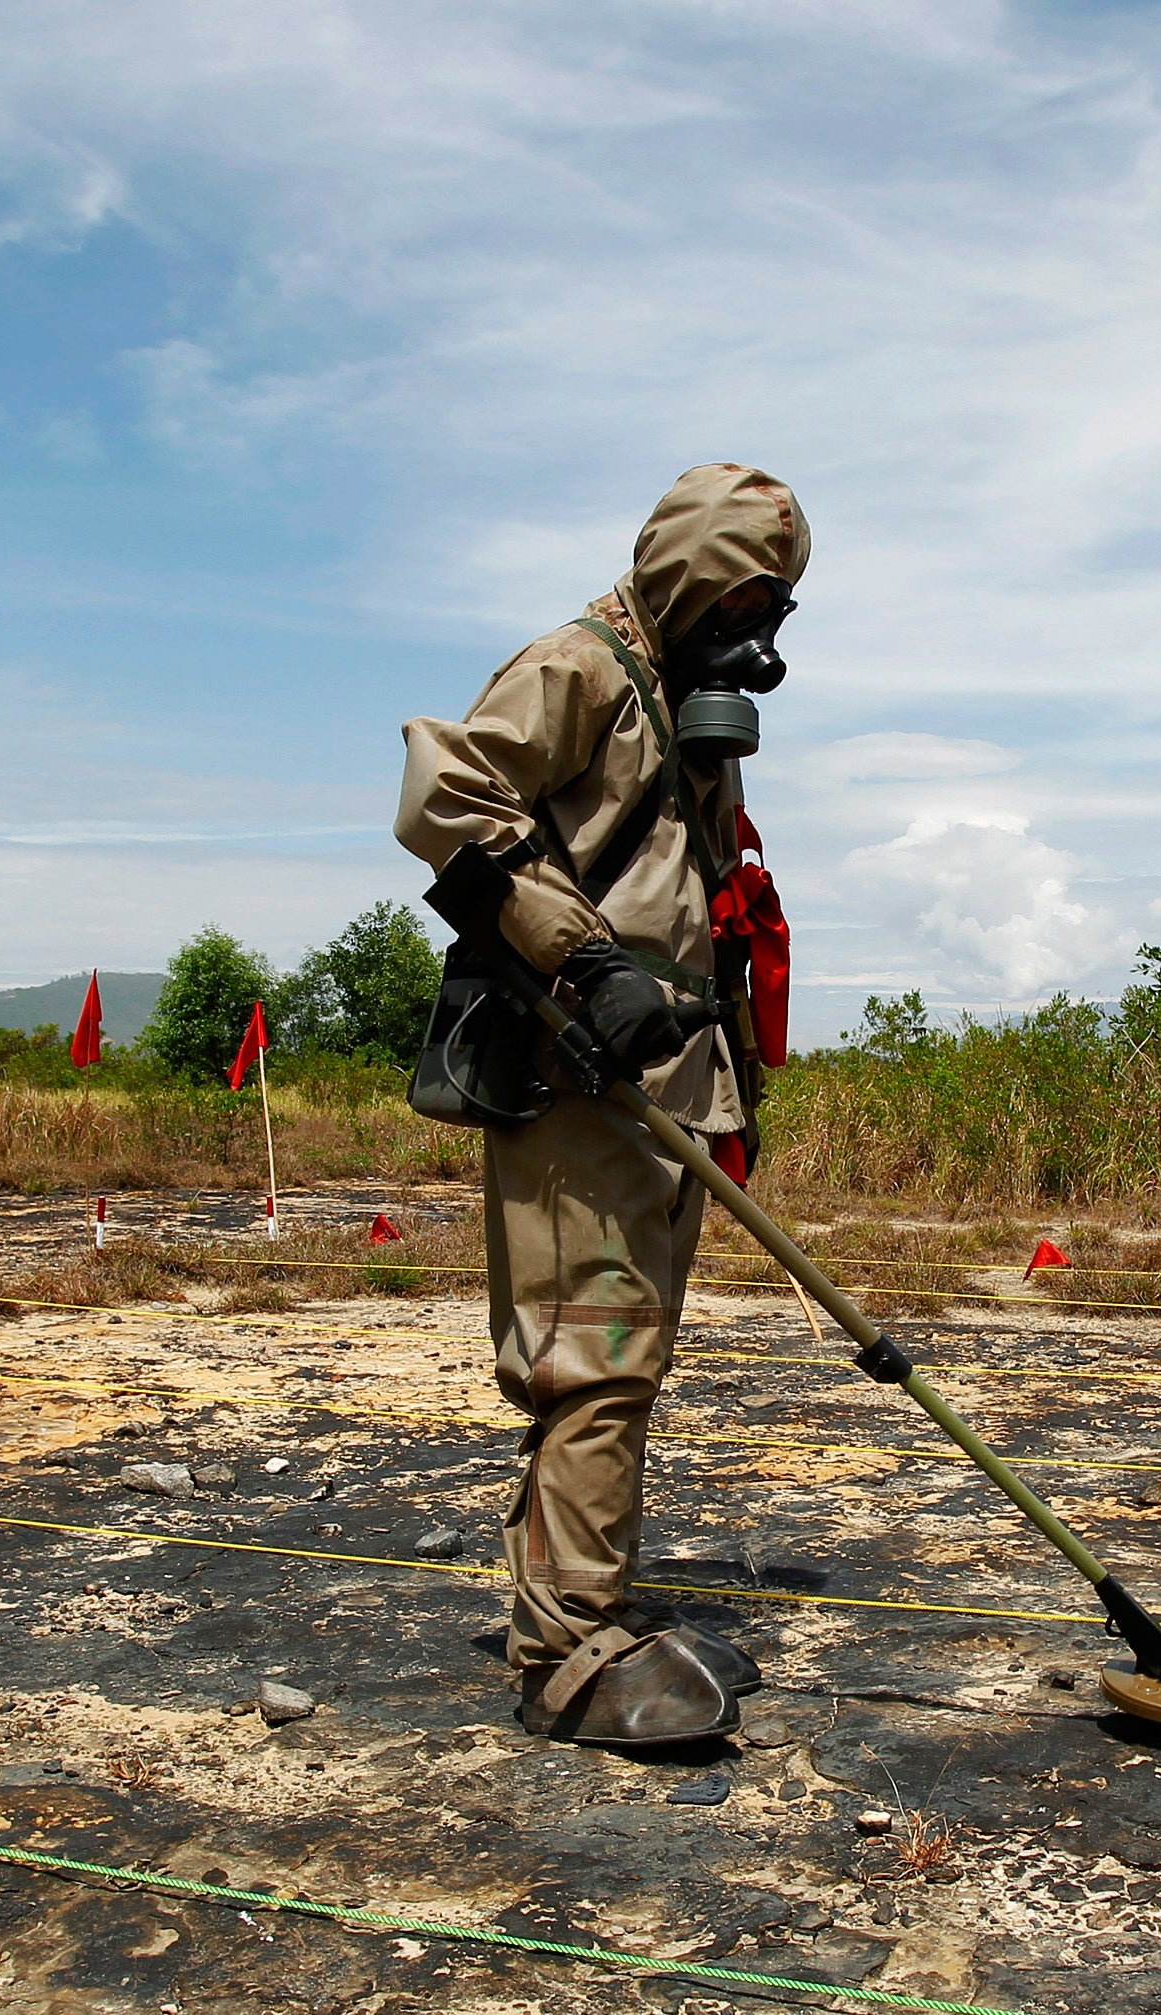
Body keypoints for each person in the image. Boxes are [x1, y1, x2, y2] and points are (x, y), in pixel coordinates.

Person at [394, 463, 806, 1749]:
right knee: (599, 1356)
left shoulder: (682, 701)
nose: (764, 642)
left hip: (668, 1075)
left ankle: (596, 1599)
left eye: (781, 614)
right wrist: (581, 958)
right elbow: (441, 797)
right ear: (687, 575)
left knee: (634, 1354)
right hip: (580, 1064)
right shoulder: (576, 667)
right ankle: (566, 1652)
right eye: (747, 603)